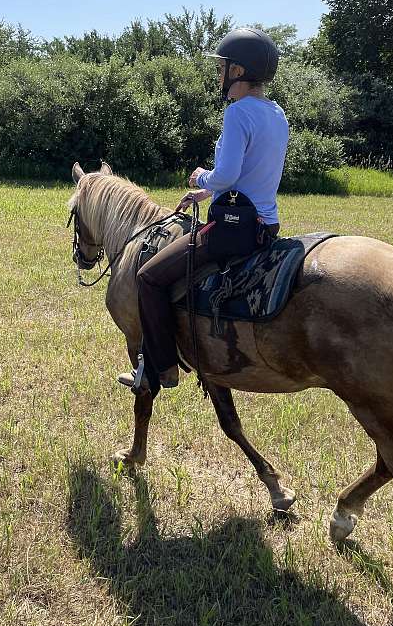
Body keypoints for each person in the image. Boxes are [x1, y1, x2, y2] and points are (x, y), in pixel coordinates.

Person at [118, 28, 289, 394]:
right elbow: (252, 171)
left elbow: (227, 174)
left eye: (221, 67)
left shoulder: (238, 112)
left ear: (238, 72)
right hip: (266, 225)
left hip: (233, 229)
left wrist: (202, 176)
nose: (218, 75)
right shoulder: (276, 114)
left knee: (149, 278)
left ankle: (160, 369)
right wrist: (204, 194)